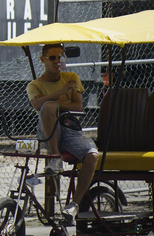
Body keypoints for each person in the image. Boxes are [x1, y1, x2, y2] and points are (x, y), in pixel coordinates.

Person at [27, 43, 100, 217]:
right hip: (48, 131)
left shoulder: (71, 77)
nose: (57, 61)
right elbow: (38, 105)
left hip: (70, 129)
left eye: (60, 57)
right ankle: (55, 157)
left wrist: (54, 103)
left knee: (92, 155)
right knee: (49, 107)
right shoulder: (34, 85)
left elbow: (78, 106)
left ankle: (74, 204)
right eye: (52, 57)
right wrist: (60, 93)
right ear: (43, 60)